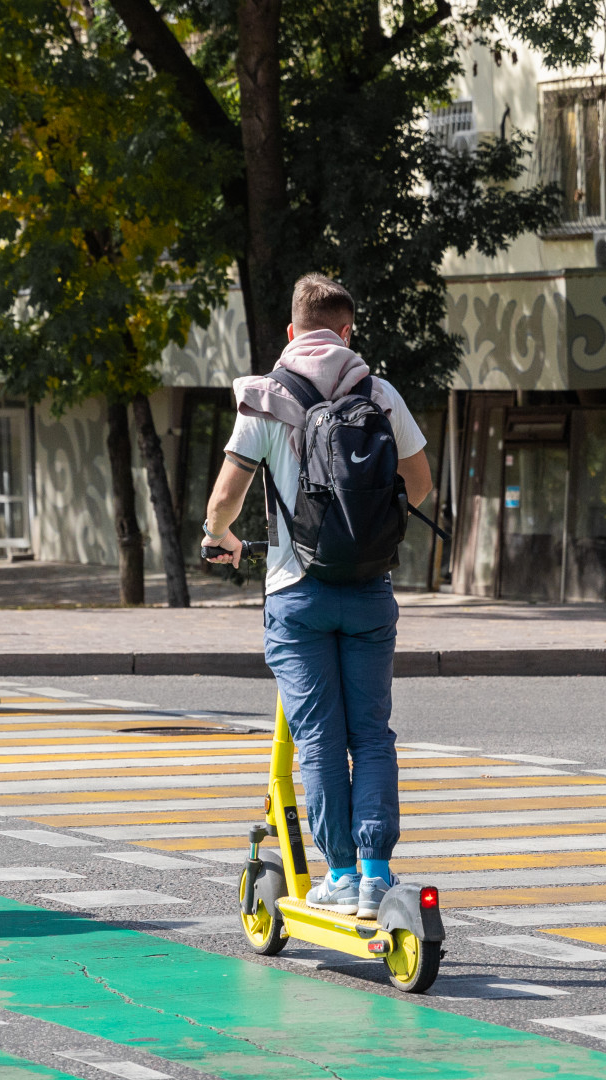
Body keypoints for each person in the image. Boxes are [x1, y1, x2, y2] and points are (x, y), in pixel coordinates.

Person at [201, 274, 433, 920]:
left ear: (289, 332)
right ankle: (375, 871)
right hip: (369, 591)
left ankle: (336, 872)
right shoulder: (379, 394)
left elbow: (224, 499)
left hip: (296, 595)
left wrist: (217, 536)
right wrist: (366, 534)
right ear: (348, 330)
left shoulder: (266, 399)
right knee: (372, 733)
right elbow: (420, 482)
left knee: (321, 740)